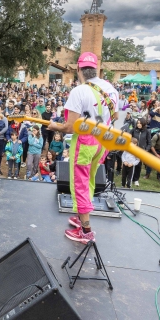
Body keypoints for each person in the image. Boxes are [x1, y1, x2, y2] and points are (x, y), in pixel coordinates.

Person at [47, 52, 118, 244]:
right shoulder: (111, 89)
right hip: (103, 141)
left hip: (85, 142)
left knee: (80, 182)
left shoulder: (79, 91)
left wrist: (55, 126)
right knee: (90, 180)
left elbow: (69, 126)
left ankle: (86, 231)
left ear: (78, 69)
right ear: (97, 69)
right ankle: (82, 216)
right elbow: (116, 116)